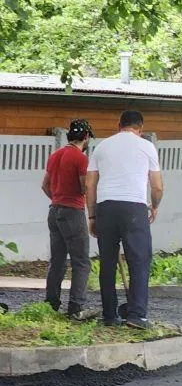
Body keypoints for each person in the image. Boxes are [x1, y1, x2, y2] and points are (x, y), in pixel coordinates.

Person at [86, 110, 163, 329]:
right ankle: (137, 315)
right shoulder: (147, 146)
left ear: (118, 124)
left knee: (108, 262)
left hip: (106, 207)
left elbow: (90, 184)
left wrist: (92, 215)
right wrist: (154, 206)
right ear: (141, 128)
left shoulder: (101, 147)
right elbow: (157, 186)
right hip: (134, 208)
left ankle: (109, 315)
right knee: (139, 260)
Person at [42, 119, 96, 320]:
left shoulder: (55, 155)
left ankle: (51, 303)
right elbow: (85, 188)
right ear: (86, 137)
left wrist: (58, 199)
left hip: (54, 211)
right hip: (73, 212)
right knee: (81, 261)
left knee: (57, 260)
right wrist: (93, 212)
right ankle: (76, 308)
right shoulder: (80, 158)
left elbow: (45, 185)